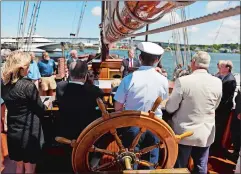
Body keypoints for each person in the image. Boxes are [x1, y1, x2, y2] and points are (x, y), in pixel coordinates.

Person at [165, 51, 222, 174]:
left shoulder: (183, 81)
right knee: (201, 166)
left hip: (184, 134)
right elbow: (215, 106)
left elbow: (171, 107)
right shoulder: (218, 82)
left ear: (193, 63)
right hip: (205, 133)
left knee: (180, 166)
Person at [114, 42, 169, 169]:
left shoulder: (128, 79)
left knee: (130, 161)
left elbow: (118, 108)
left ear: (139, 58)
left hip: (132, 126)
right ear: (157, 60)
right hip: (154, 126)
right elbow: (164, 100)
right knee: (150, 162)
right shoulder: (163, 80)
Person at [1, 51, 48, 174]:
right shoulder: (28, 86)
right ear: (21, 68)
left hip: (14, 131)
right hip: (29, 133)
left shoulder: (4, 85)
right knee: (29, 169)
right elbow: (40, 109)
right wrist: (46, 105)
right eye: (28, 66)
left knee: (18, 167)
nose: (29, 68)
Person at [56, 60, 104, 140]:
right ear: (86, 75)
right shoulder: (95, 91)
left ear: (70, 74)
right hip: (87, 134)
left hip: (65, 132)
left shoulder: (60, 87)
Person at [213, 60, 236, 151]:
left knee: (219, 129)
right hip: (219, 108)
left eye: (222, 66)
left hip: (223, 110)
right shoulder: (222, 77)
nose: (219, 68)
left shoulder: (230, 80)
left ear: (227, 68)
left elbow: (225, 98)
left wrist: (216, 108)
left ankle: (216, 148)